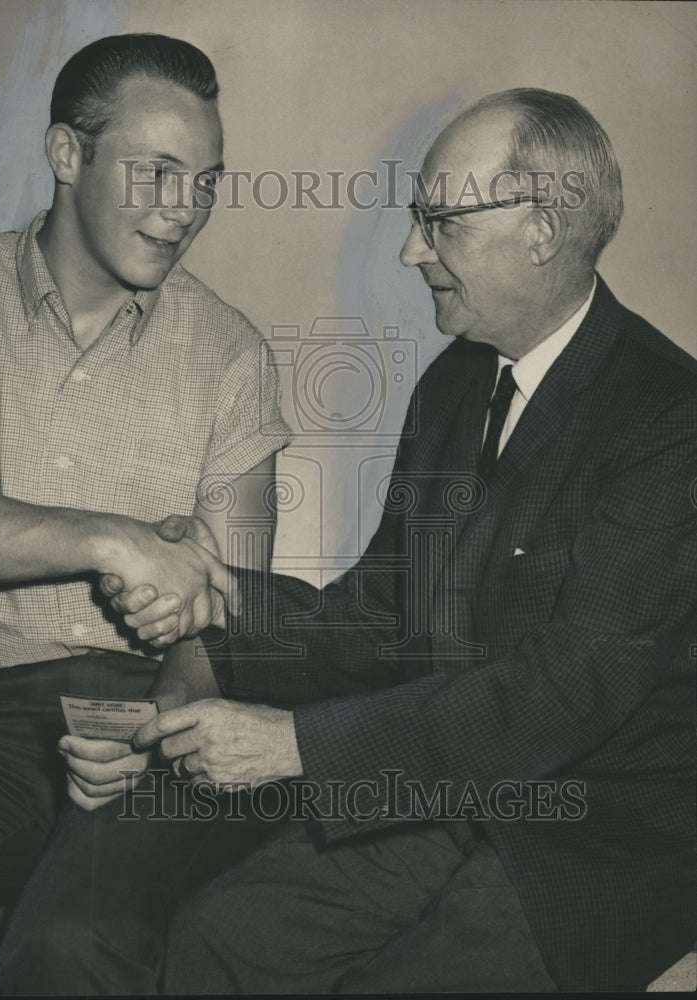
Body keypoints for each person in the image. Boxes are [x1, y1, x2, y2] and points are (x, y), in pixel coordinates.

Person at [110, 89, 696, 992]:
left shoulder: (670, 418)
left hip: (596, 832)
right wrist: (219, 591)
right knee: (220, 942)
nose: (410, 249)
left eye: (439, 221)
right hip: (444, 786)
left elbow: (568, 689)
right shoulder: (455, 385)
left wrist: (296, 746)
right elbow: (384, 611)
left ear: (541, 227)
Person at [0, 33, 292, 998]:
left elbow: (231, 617)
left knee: (67, 949)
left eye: (205, 182)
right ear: (66, 154)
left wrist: (161, 719)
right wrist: (114, 537)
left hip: (170, 732)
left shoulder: (232, 356)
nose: (184, 213)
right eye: (158, 174)